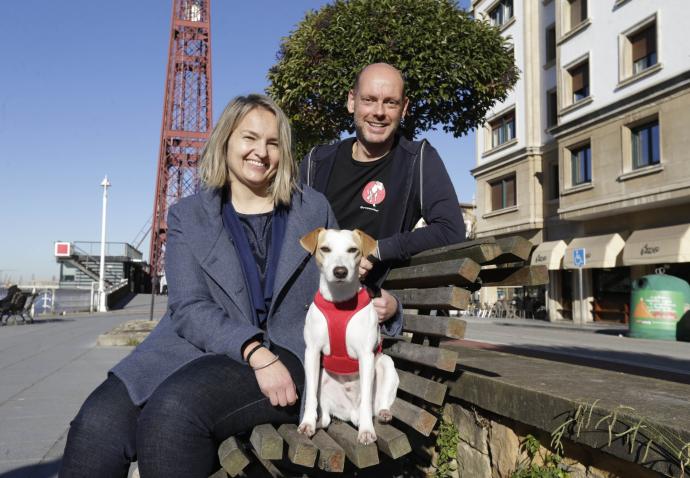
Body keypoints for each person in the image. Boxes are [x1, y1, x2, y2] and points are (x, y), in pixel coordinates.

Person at [60, 94, 391, 478]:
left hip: (287, 352)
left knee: (173, 414)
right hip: (197, 346)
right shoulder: (188, 216)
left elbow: (343, 277)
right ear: (226, 142)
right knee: (95, 425)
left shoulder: (311, 209)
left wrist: (390, 309)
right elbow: (188, 307)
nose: (261, 152)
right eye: (249, 138)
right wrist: (253, 351)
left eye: (273, 143)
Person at [300, 63, 466, 321]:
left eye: (390, 103)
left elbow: (451, 230)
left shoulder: (418, 160)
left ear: (404, 109)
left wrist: (378, 249)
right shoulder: (316, 163)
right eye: (369, 100)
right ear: (352, 101)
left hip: (363, 313)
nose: (379, 112)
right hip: (305, 309)